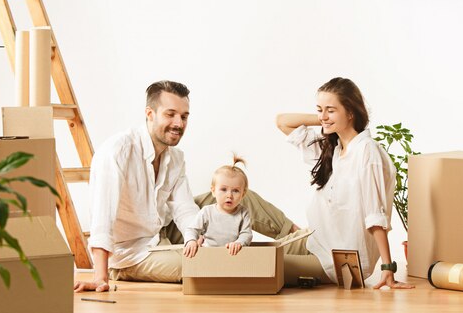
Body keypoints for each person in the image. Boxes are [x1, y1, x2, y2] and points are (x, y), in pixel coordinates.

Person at [74, 80, 297, 292]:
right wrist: (99, 276)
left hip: (162, 229)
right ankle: (298, 266)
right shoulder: (117, 151)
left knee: (238, 196)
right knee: (203, 264)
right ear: (150, 114)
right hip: (131, 252)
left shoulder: (176, 158)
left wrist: (199, 236)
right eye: (170, 114)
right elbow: (102, 218)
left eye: (184, 116)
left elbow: (184, 209)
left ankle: (304, 241)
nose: (179, 124)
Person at [276, 77, 414, 289]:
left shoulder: (367, 151)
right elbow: (282, 121)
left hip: (341, 261)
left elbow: (375, 214)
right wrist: (327, 118)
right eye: (319, 109)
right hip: (317, 241)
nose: (322, 116)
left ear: (351, 112)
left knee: (263, 264)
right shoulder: (333, 149)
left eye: (330, 109)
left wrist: (387, 267)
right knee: (247, 235)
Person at [183, 155, 252, 258]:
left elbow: (246, 234)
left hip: (232, 255)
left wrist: (239, 243)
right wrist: (191, 241)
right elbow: (192, 229)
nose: (229, 195)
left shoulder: (243, 213)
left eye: (236, 191)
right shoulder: (207, 211)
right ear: (213, 191)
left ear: (243, 194)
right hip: (208, 255)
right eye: (224, 189)